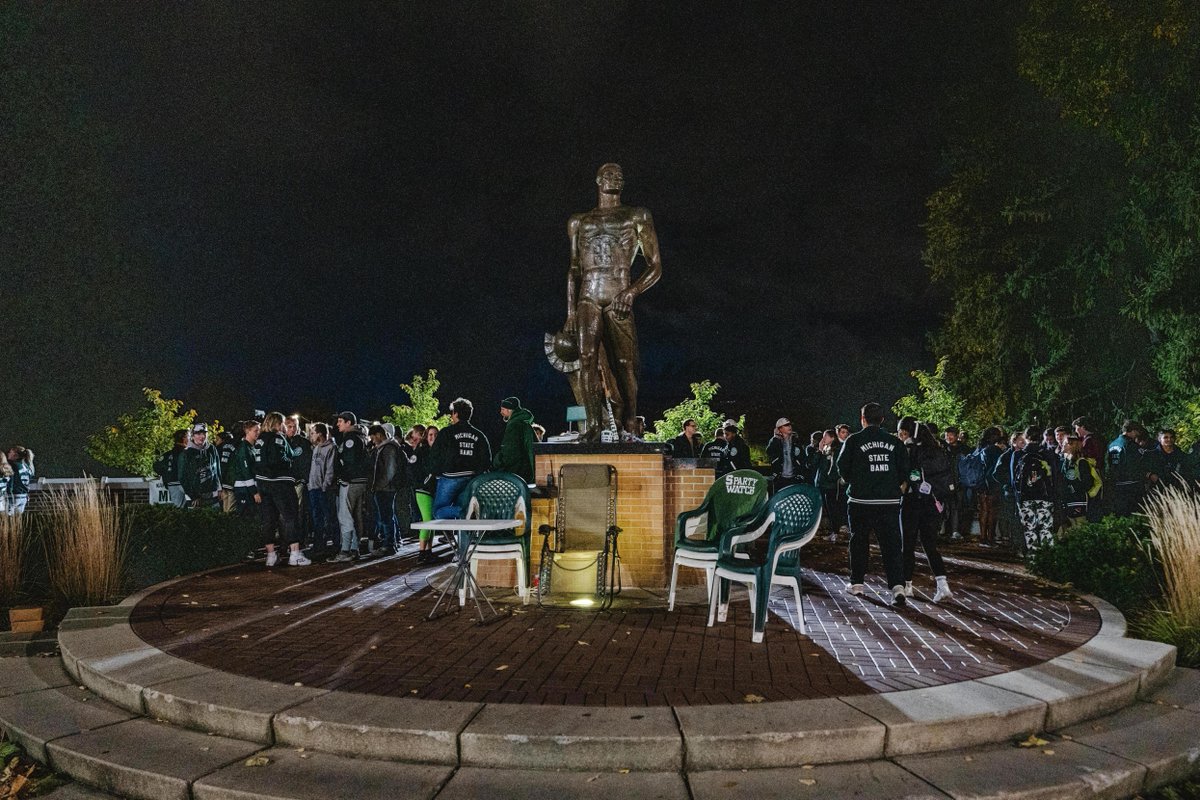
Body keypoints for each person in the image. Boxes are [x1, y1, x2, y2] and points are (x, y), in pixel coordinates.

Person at [564, 162, 663, 439]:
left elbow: (655, 265)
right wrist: (571, 311)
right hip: (589, 296)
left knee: (625, 363)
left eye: (620, 174)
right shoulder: (579, 221)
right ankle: (594, 424)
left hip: (618, 294)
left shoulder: (636, 215)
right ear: (597, 179)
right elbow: (574, 268)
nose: (615, 177)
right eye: (608, 173)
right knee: (586, 359)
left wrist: (631, 292)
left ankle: (629, 418)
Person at [836, 402, 909, 607]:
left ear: (863, 419)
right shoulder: (894, 442)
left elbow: (842, 468)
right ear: (883, 420)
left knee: (859, 541)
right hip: (888, 501)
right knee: (892, 544)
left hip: (861, 501)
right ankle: (897, 587)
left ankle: (857, 583)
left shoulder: (853, 440)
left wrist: (857, 481)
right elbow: (905, 469)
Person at [902, 423, 954, 601]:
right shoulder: (939, 452)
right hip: (934, 504)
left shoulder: (914, 451)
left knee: (907, 545)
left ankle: (907, 585)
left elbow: (912, 475)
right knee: (930, 546)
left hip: (913, 502)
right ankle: (942, 584)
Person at [255, 412, 309, 567]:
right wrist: (289, 464)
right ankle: (295, 554)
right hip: (280, 483)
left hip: (263, 483)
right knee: (290, 516)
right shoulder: (278, 438)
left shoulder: (260, 439)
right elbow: (279, 459)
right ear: (278, 423)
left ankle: (271, 555)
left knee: (268, 520)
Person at [429, 397, 492, 519]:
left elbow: (435, 455)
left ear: (456, 413)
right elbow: (486, 459)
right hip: (470, 479)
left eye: (452, 413)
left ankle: (465, 512)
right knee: (462, 513)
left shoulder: (446, 432)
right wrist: (476, 473)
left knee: (437, 511)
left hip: (449, 478)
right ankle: (466, 515)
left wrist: (437, 471)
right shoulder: (479, 435)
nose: (451, 416)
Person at [330, 412, 371, 562]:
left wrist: (344, 478)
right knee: (356, 515)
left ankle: (345, 550)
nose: (337, 424)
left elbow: (349, 461)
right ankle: (354, 548)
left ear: (349, 423)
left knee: (345, 515)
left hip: (351, 482)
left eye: (340, 421)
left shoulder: (351, 438)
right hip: (359, 482)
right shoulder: (360, 437)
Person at [1016, 426, 1056, 551]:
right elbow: (1054, 475)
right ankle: (1047, 557)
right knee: (1046, 527)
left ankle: (1033, 557)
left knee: (1030, 528)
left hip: (1026, 496)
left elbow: (1015, 479)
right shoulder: (1048, 454)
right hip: (1045, 495)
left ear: (1026, 437)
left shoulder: (1019, 454)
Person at [368, 424, 406, 556]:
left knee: (386, 517)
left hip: (386, 488)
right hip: (385, 487)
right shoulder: (386, 447)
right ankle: (394, 541)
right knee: (389, 515)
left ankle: (389, 545)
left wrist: (379, 485)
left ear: (379, 435)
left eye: (373, 438)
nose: (373, 441)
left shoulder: (388, 448)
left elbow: (390, 470)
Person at [307, 422, 337, 556]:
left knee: (329, 517)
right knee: (316, 517)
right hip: (313, 487)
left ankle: (334, 544)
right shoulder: (315, 448)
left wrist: (325, 485)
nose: (311, 435)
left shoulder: (331, 447)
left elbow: (330, 469)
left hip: (323, 489)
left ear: (319, 433)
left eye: (313, 433)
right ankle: (318, 544)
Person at [1106, 421, 1147, 516]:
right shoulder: (1130, 445)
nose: (1137, 434)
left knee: (1121, 514)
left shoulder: (1112, 444)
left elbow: (1109, 463)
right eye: (1137, 431)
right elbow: (1135, 465)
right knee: (1135, 514)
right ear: (1132, 431)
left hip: (1117, 484)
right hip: (1132, 484)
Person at [974, 426, 1006, 547]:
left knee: (983, 510)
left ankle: (982, 538)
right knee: (992, 511)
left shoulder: (979, 448)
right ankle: (990, 538)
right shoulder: (995, 450)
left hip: (980, 482)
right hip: (992, 483)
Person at [178, 423, 221, 509]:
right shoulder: (186, 454)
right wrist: (193, 496)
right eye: (198, 434)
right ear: (193, 436)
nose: (202, 436)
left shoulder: (212, 449)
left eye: (204, 433)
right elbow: (182, 477)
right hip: (195, 498)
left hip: (213, 495)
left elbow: (218, 469)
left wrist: (219, 488)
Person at [493, 397, 536, 483]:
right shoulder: (524, 423)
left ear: (509, 410)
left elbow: (510, 452)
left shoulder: (514, 425)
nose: (501, 412)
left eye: (503, 409)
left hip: (516, 474)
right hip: (526, 472)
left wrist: (497, 462)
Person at [1059, 436, 1097, 529]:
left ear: (1072, 445)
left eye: (1065, 444)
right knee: (1070, 528)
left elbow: (1088, 482)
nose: (1062, 445)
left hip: (1079, 500)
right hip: (1068, 500)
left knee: (1080, 527)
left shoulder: (1081, 462)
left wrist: (1075, 489)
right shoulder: (1065, 462)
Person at [226, 421, 260, 518]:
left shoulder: (251, 447)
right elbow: (246, 471)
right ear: (247, 431)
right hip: (244, 489)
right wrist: (254, 492)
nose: (258, 433)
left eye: (259, 430)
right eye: (255, 430)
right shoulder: (244, 448)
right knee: (245, 517)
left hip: (248, 487)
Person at [942, 426, 968, 540]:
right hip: (944, 481)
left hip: (959, 482)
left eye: (951, 435)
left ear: (957, 436)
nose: (948, 437)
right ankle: (944, 530)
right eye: (947, 435)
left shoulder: (963, 449)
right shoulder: (942, 448)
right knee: (944, 507)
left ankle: (955, 530)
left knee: (957, 506)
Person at [814, 429, 840, 540]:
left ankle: (835, 531)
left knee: (832, 508)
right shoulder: (824, 449)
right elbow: (815, 464)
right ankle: (831, 531)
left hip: (829, 485)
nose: (823, 439)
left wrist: (830, 478)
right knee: (824, 508)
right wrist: (819, 451)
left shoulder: (835, 450)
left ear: (832, 438)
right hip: (821, 483)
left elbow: (834, 467)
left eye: (826, 437)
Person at [766, 418, 805, 490]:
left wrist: (800, 474)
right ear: (779, 429)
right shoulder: (775, 441)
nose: (790, 426)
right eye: (786, 425)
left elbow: (802, 457)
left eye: (790, 424)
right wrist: (775, 438)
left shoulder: (796, 440)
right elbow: (769, 452)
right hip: (780, 478)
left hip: (794, 478)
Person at [154, 431, 188, 507]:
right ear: (183, 439)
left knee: (179, 507)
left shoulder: (167, 454)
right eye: (188, 436)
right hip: (184, 483)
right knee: (196, 506)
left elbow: (156, 466)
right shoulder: (187, 453)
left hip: (172, 483)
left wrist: (166, 474)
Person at [4, 447, 34, 515]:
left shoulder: (14, 465)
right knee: (16, 520)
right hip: (23, 496)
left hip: (14, 496)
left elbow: (10, 482)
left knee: (7, 520)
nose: (8, 453)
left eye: (10, 452)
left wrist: (9, 496)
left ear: (16, 455)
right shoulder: (27, 466)